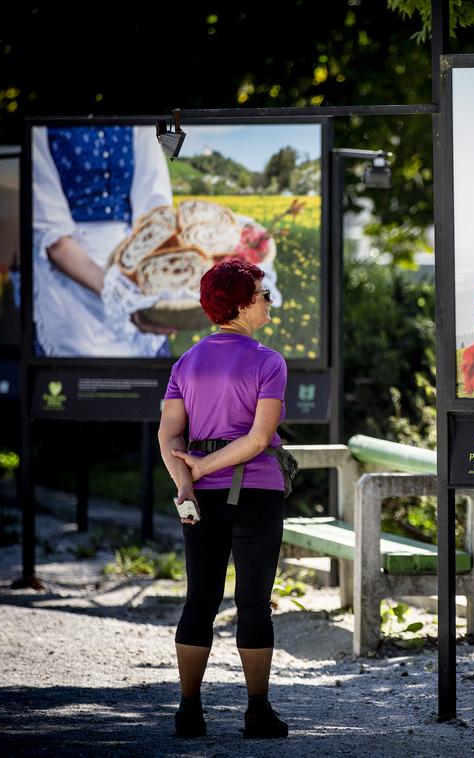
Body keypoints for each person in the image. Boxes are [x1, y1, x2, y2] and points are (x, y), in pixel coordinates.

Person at [158, 258, 289, 739]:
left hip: (202, 502)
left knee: (200, 600)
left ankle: (188, 711)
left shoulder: (185, 362)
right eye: (264, 294)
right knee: (253, 603)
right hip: (257, 494)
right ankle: (258, 712)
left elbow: (168, 435)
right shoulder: (268, 362)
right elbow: (258, 440)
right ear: (242, 304)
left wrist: (187, 483)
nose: (269, 302)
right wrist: (206, 466)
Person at [32, 125, 176, 356]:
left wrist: (144, 281)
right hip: (71, 274)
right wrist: (119, 294)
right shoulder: (41, 128)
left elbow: (154, 209)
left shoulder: (137, 124)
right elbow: (52, 233)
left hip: (133, 262)